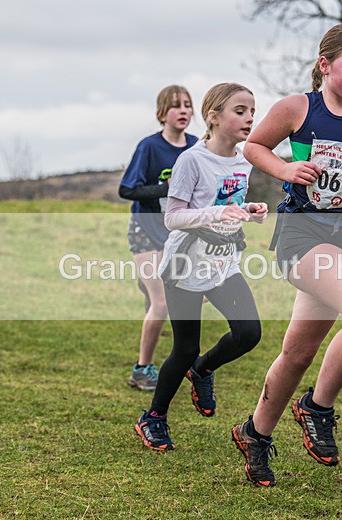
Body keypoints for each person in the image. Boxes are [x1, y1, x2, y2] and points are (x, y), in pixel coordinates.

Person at [231, 23, 342, 487]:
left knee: (298, 352)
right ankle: (316, 406)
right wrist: (285, 168)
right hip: (302, 236)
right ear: (325, 64)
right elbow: (254, 146)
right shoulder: (298, 108)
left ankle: (255, 434)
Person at [135, 82, 269, 451]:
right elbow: (173, 218)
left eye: (252, 111)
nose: (249, 118)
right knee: (184, 347)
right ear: (213, 117)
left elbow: (228, 204)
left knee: (248, 333)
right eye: (239, 111)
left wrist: (249, 211)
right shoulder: (191, 160)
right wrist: (218, 212)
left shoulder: (245, 160)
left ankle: (203, 370)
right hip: (184, 265)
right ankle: (153, 418)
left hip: (223, 262)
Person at [119, 85, 198, 391]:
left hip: (180, 235)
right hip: (146, 231)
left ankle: (188, 362)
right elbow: (127, 189)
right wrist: (168, 189)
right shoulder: (149, 147)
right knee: (162, 303)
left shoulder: (197, 147)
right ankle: (143, 368)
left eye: (188, 105)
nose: (183, 111)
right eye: (176, 106)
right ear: (162, 113)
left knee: (194, 296)